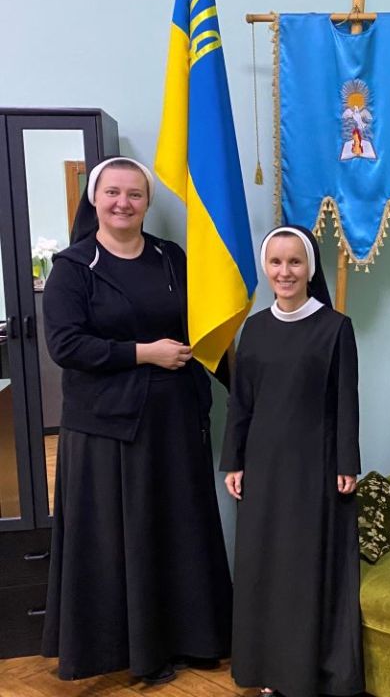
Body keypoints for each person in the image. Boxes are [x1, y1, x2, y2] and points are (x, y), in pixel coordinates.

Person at [40, 156, 233, 684]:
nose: (123, 202)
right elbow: (66, 345)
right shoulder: (72, 268)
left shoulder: (173, 258)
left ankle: (193, 640)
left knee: (179, 532)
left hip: (174, 421)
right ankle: (130, 653)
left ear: (148, 203)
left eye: (135, 194)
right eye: (113, 193)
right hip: (106, 429)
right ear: (95, 200)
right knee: (120, 539)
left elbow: (206, 328)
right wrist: (143, 353)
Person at [221, 225, 364, 697]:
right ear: (267, 267)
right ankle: (266, 669)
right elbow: (241, 403)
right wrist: (234, 462)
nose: (285, 272)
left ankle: (303, 674)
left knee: (302, 569)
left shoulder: (334, 327)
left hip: (313, 467)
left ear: (310, 268)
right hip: (261, 468)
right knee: (264, 568)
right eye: (277, 262)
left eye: (295, 262)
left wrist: (347, 463)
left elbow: (346, 399)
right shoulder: (255, 328)